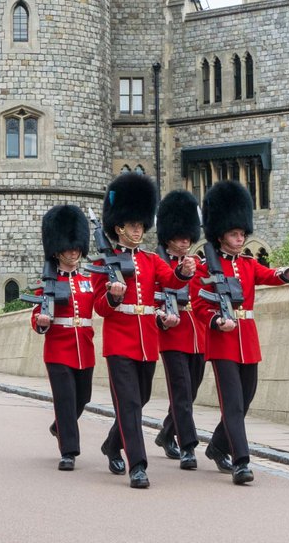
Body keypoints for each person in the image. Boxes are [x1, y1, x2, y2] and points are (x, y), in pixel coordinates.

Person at [193, 180, 289, 485]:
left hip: (247, 340)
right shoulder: (205, 268)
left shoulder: (247, 264)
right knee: (232, 403)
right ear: (221, 235)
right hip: (223, 342)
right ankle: (241, 461)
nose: (240, 238)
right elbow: (199, 306)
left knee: (246, 399)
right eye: (235, 234)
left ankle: (217, 445)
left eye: (243, 233)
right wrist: (216, 321)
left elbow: (269, 275)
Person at [95, 172, 195, 489]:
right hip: (119, 342)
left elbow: (171, 281)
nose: (138, 230)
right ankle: (137, 465)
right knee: (128, 404)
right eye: (132, 225)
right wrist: (112, 296)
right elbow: (98, 306)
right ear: (119, 227)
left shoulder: (152, 260)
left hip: (146, 342)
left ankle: (112, 444)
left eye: (141, 225)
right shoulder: (105, 262)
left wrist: (182, 271)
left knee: (140, 400)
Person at [32, 205, 98, 472]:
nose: (74, 252)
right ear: (57, 250)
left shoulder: (88, 280)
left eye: (76, 248)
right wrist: (41, 322)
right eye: (69, 248)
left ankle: (59, 426)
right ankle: (68, 452)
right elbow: (37, 313)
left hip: (85, 347)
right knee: (66, 400)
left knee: (83, 398)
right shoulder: (48, 282)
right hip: (58, 349)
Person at [151, 190, 208, 470]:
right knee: (182, 392)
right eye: (179, 236)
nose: (185, 241)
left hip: (198, 335)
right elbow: (150, 300)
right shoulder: (157, 265)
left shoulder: (198, 265)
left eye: (188, 236)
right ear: (168, 236)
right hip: (172, 335)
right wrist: (162, 317)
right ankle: (188, 446)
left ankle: (165, 433)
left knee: (191, 391)